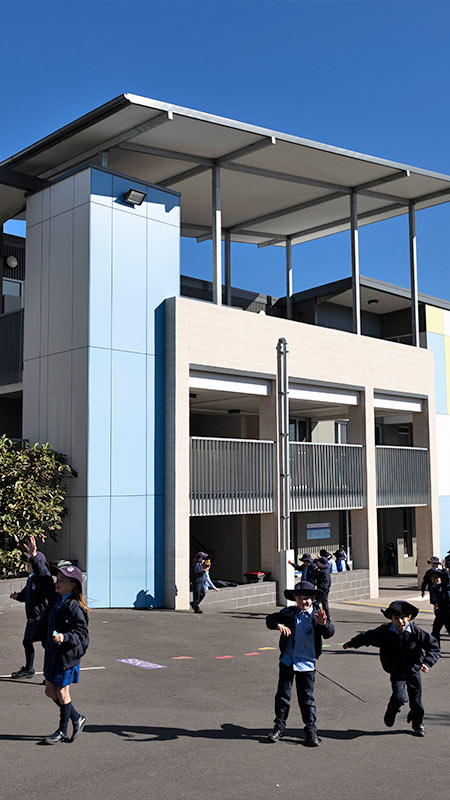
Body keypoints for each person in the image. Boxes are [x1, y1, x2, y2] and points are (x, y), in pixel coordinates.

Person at [24, 536, 89, 745]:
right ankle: (77, 718)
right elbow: (43, 579)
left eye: (61, 580)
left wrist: (65, 637)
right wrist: (35, 557)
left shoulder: (74, 607)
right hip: (53, 652)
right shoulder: (55, 597)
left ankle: (62, 731)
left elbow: (81, 634)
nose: (57, 582)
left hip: (67, 656)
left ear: (72, 585)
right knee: (49, 691)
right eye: (57, 579)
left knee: (61, 691)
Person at [343, 600, 440, 737]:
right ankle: (392, 708)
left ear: (409, 617)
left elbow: (434, 647)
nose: (400, 622)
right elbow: (367, 637)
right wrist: (351, 643)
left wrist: (428, 662)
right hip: (396, 670)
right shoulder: (385, 631)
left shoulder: (416, 632)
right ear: (391, 618)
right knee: (400, 697)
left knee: (416, 700)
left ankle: (418, 724)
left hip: (413, 670)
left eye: (403, 618)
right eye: (396, 618)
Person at [265, 580, 335, 747]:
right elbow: (269, 619)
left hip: (307, 664)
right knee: (283, 696)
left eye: (307, 598)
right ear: (295, 599)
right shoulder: (289, 613)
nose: (303, 602)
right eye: (299, 598)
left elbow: (330, 632)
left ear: (312, 599)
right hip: (288, 661)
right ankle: (279, 727)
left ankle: (311, 731)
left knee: (306, 699)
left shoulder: (318, 614)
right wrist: (277, 625)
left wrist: (323, 625)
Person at [9, 550, 50, 679]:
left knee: (47, 645)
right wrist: (17, 596)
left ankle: (50, 675)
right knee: (27, 642)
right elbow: (26, 595)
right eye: (27, 561)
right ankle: (29, 668)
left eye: (30, 561)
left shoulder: (41, 579)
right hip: (32, 618)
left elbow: (44, 575)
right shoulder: (31, 578)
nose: (27, 563)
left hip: (42, 619)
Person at [429, 569, 450, 645]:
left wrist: (445, 571)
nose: (435, 580)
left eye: (437, 577)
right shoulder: (433, 588)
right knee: (435, 631)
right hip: (440, 613)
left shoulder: (446, 587)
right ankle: (436, 648)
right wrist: (435, 605)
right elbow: (433, 599)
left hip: (447, 612)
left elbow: (447, 582)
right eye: (433, 578)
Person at [313, 556, 332, 621]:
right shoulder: (327, 569)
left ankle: (319, 615)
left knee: (316, 603)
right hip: (326, 589)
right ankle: (328, 618)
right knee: (325, 603)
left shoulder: (322, 571)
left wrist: (316, 570)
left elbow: (315, 576)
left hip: (322, 590)